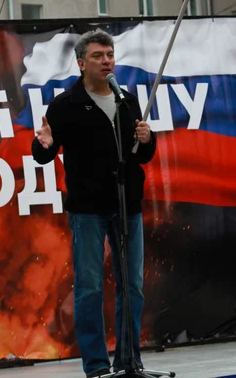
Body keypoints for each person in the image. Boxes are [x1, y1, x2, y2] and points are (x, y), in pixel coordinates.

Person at [32, 29, 156, 378]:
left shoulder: (126, 100)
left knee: (131, 285)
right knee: (89, 286)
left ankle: (129, 362)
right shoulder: (65, 105)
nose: (107, 61)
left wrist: (149, 139)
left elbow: (141, 155)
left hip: (127, 205)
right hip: (87, 209)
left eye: (110, 54)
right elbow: (43, 154)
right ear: (82, 62)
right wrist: (43, 143)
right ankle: (98, 367)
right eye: (99, 55)